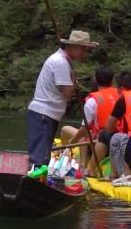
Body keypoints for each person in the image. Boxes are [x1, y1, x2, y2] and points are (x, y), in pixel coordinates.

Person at [26, 30, 98, 167]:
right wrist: (74, 82)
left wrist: (73, 80)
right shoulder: (60, 63)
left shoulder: (64, 61)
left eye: (86, 50)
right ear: (71, 46)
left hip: (47, 114)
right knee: (39, 158)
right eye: (82, 49)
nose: (84, 53)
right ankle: (34, 183)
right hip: (43, 113)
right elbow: (68, 93)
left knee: (41, 156)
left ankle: (37, 181)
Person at [61, 65, 118, 169]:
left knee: (68, 130)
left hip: (99, 144)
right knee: (85, 131)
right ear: (112, 81)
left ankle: (81, 163)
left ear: (96, 80)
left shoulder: (92, 101)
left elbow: (84, 130)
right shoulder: (120, 96)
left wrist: (72, 141)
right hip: (119, 141)